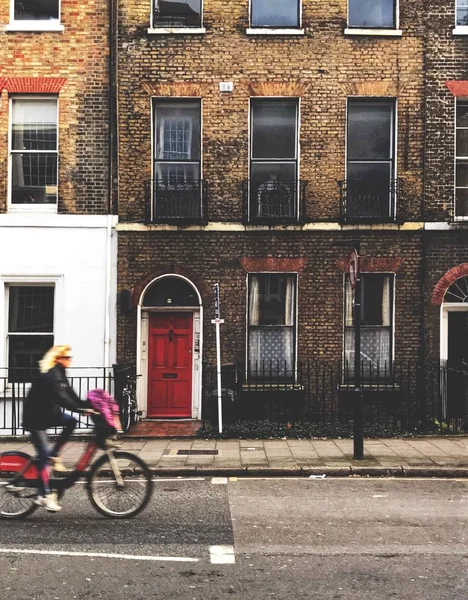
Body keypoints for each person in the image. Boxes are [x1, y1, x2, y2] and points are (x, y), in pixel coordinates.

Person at [22, 345, 88, 512]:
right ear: (58, 359)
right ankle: (43, 495)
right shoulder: (51, 375)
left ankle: (55, 454)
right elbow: (61, 398)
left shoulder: (60, 373)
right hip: (36, 419)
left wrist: (87, 405)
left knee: (71, 421)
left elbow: (70, 395)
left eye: (70, 357)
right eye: (67, 357)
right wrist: (80, 409)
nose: (70, 360)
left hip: (50, 415)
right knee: (43, 455)